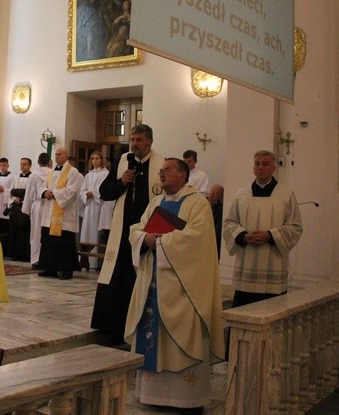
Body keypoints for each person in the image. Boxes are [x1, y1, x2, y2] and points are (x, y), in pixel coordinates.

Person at [126, 158, 224, 411]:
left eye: (167, 170)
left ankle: (186, 399)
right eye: (161, 171)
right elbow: (137, 228)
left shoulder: (197, 204)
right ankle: (153, 395)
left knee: (182, 339)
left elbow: (197, 239)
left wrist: (160, 242)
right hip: (153, 283)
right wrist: (144, 238)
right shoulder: (156, 202)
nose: (162, 174)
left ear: (183, 175)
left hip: (183, 287)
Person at [92, 124, 164, 342]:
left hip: (148, 231)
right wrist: (121, 182)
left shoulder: (162, 163)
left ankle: (144, 327)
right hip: (123, 230)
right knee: (118, 276)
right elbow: (105, 192)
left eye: (139, 140)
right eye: (132, 139)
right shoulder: (123, 161)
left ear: (150, 142)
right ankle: (112, 328)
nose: (135, 144)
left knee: (142, 276)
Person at [223, 150, 303, 308]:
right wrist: (243, 236)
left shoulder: (286, 194)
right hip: (246, 265)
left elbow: (295, 226)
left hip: (272, 264)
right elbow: (229, 223)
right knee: (242, 311)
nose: (260, 167)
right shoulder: (241, 194)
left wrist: (270, 235)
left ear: (274, 168)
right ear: (253, 167)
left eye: (265, 164)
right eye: (257, 164)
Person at [37, 148, 83, 280]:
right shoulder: (51, 171)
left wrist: (54, 194)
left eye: (60, 154)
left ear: (67, 156)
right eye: (56, 154)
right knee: (48, 241)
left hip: (64, 213)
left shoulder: (73, 172)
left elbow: (73, 191)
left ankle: (66, 269)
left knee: (64, 242)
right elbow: (42, 186)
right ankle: (49, 268)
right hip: (50, 211)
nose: (57, 156)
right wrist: (45, 192)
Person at [79, 151, 109, 270]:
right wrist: (86, 194)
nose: (95, 161)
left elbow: (105, 190)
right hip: (89, 207)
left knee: (95, 233)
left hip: (99, 207)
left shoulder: (106, 174)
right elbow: (82, 190)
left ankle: (94, 262)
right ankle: (84, 260)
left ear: (101, 160)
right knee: (86, 232)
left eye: (97, 158)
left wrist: (95, 194)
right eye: (93, 159)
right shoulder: (88, 175)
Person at [22, 152, 51, 267]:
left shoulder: (33, 175)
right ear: (49, 162)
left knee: (35, 233)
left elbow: (29, 194)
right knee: (47, 232)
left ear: (38, 162)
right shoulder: (53, 173)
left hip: (38, 205)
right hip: (49, 205)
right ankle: (46, 258)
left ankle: (35, 259)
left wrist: (27, 210)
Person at [7, 157, 33, 261]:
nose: (22, 166)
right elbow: (10, 191)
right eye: (21, 164)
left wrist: (25, 201)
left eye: (25, 164)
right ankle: (15, 254)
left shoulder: (32, 177)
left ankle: (25, 255)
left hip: (26, 207)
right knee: (15, 231)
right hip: (16, 207)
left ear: (30, 165)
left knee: (24, 232)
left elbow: (32, 193)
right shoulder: (16, 177)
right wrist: (14, 199)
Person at [0, 157, 13, 256]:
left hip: (5, 205)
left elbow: (13, 190)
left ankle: (5, 251)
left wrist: (4, 189)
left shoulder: (12, 177)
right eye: (1, 165)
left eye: (4, 165)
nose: (2, 167)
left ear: (8, 165)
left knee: (5, 229)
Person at [208, 184, 224, 259]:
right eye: (211, 193)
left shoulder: (221, 210)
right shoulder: (205, 207)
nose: (211, 195)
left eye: (215, 194)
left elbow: (217, 231)